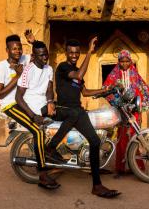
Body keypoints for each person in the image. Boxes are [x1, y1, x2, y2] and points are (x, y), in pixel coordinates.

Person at [47, 37, 121, 198]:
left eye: (76, 52)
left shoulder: (76, 71)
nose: (74, 55)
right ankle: (51, 147)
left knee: (95, 141)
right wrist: (89, 52)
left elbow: (85, 92)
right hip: (63, 109)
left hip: (76, 111)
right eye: (71, 52)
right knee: (75, 112)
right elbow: (79, 75)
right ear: (66, 53)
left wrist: (104, 90)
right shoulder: (63, 67)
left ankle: (97, 185)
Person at [0, 34, 59, 189]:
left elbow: (39, 54)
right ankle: (42, 174)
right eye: (14, 49)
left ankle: (54, 155)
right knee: (37, 131)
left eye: (20, 48)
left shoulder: (24, 60)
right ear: (7, 50)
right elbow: (0, 94)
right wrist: (17, 76)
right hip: (11, 105)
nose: (18, 51)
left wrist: (33, 41)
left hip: (27, 102)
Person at [103, 49, 149, 177]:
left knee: (135, 138)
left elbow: (142, 89)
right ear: (118, 62)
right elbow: (106, 88)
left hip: (134, 111)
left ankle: (137, 167)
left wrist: (140, 105)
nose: (124, 63)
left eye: (127, 61)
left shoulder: (135, 75)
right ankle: (120, 169)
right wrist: (115, 100)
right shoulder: (114, 74)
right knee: (121, 139)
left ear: (130, 61)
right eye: (122, 61)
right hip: (121, 111)